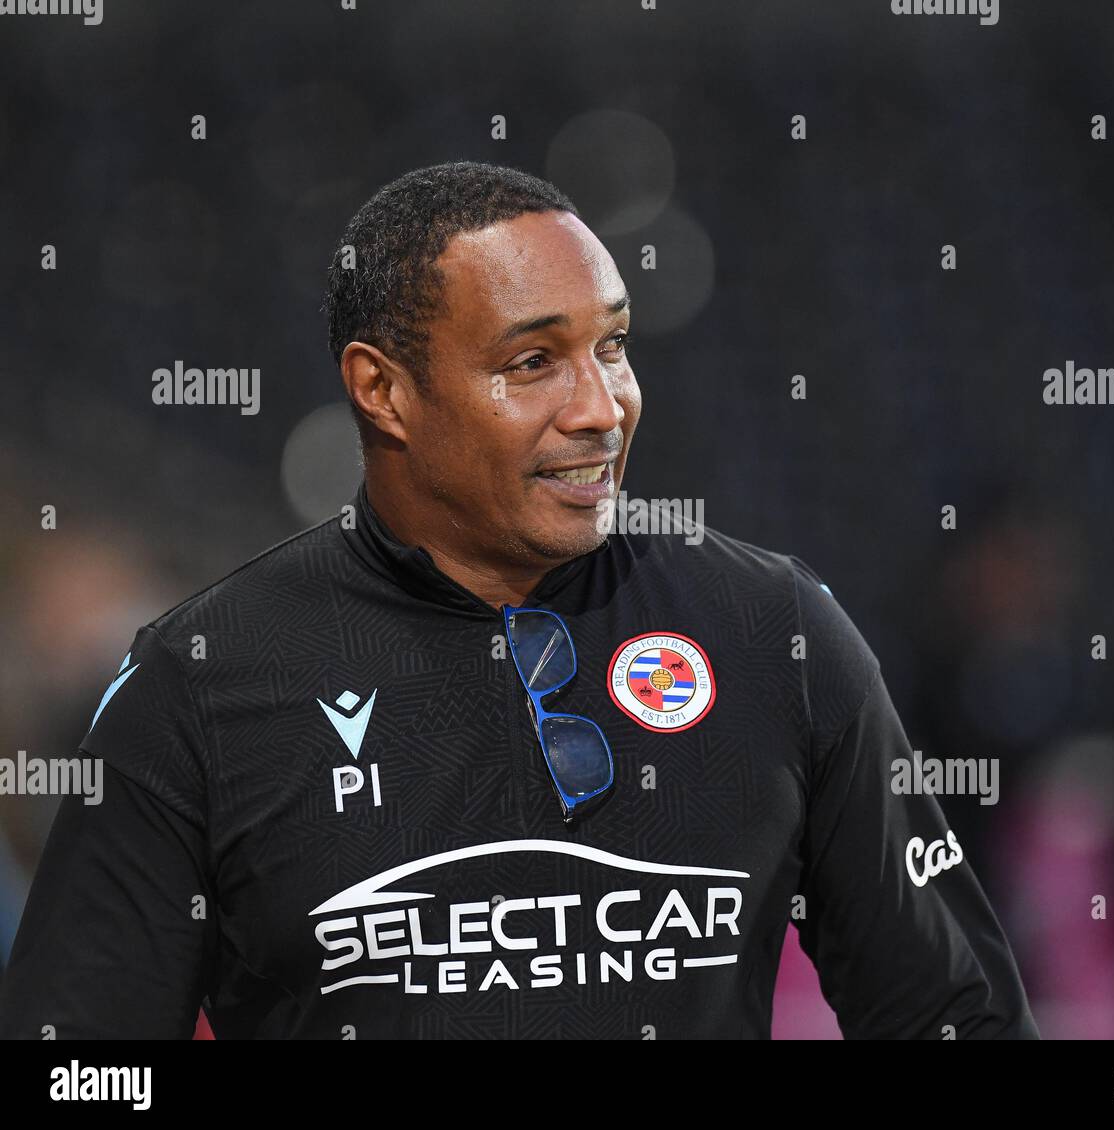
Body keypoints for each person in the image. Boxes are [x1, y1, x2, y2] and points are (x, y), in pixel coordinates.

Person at [0, 161, 1038, 1039]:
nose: (600, 406)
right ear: (384, 390)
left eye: (614, 345)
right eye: (532, 360)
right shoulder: (202, 684)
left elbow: (951, 1014)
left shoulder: (776, 632)